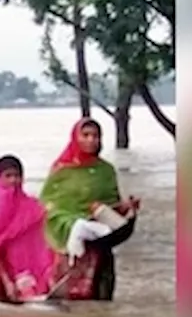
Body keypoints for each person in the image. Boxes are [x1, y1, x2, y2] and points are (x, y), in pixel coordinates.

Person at [40, 118, 141, 301]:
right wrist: (73, 223)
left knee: (102, 305)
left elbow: (112, 208)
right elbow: (48, 207)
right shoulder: (61, 171)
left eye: (95, 136)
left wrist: (126, 207)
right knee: (68, 305)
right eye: (85, 135)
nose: (91, 140)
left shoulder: (106, 171)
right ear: (75, 138)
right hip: (69, 243)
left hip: (100, 243)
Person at [0, 155, 57, 302]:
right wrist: (7, 281)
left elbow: (44, 239)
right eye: (8, 176)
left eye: (17, 176)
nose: (13, 180)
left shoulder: (32, 207)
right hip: (3, 271)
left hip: (29, 271)